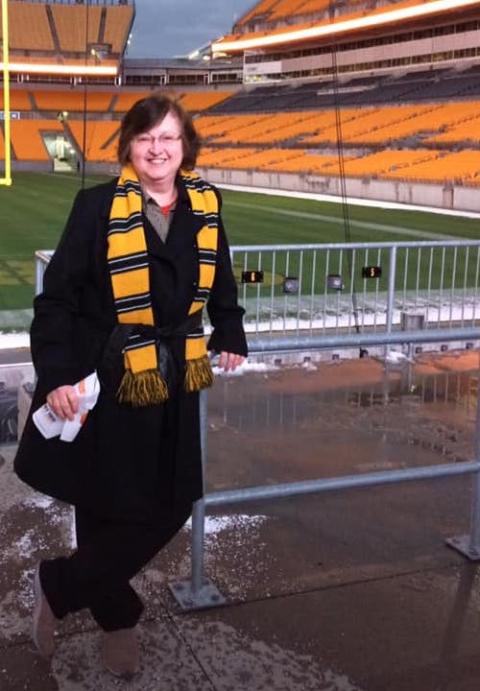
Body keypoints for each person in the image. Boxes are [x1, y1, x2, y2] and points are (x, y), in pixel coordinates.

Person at [14, 93, 247, 678]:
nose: (157, 149)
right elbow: (57, 300)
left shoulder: (205, 202)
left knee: (172, 504)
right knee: (105, 504)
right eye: (145, 139)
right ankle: (119, 622)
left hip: (176, 374)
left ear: (185, 145)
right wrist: (59, 375)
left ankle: (59, 584)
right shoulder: (97, 207)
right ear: (129, 146)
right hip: (111, 376)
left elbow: (220, 275)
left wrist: (231, 327)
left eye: (168, 137)